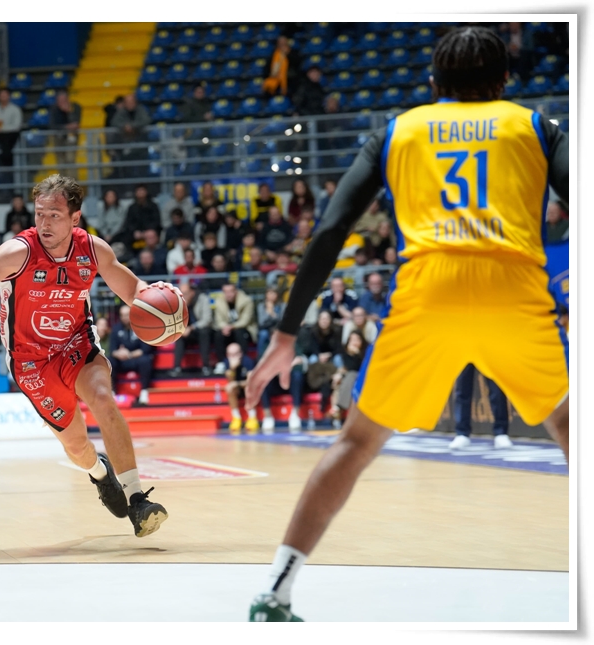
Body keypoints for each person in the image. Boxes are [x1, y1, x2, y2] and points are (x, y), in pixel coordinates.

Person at [244, 26, 569, 621]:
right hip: (514, 294)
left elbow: (330, 230)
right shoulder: (535, 126)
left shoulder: (398, 130)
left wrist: (286, 333)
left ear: (433, 81)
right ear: (505, 79)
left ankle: (276, 591)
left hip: (427, 295)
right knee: (575, 429)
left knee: (356, 443)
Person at [0, 174, 171, 538]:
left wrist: (157, 297)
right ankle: (100, 473)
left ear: (75, 218)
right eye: (40, 214)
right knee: (77, 445)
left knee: (102, 398)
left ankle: (137, 499)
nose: (44, 223)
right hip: (30, 360)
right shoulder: (18, 252)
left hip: (75, 344)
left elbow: (134, 290)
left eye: (54, 215)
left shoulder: (93, 250)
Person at [448, 364, 512, 450]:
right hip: (464, 355)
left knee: (497, 389)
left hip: (489, 355)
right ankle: (462, 433)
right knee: (462, 388)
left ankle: (501, 433)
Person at [110, 305, 156, 405]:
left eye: (127, 315)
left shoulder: (141, 327)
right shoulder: (116, 329)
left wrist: (129, 354)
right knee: (109, 361)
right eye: (122, 315)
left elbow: (145, 349)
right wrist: (119, 353)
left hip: (136, 360)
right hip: (122, 360)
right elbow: (112, 351)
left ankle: (144, 391)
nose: (124, 317)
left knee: (146, 360)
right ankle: (112, 392)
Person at [212, 283, 257, 374]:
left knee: (240, 333)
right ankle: (222, 363)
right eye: (226, 292)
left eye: (231, 291)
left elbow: (245, 321)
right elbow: (219, 321)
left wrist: (232, 327)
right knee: (218, 334)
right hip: (227, 330)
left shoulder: (246, 301)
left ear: (236, 291)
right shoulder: (219, 301)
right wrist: (225, 327)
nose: (228, 294)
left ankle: (243, 362)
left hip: (244, 329)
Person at [170, 280, 212, 377]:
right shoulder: (178, 301)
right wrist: (182, 329)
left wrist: (192, 328)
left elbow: (207, 320)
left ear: (192, 292)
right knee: (179, 335)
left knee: (204, 333)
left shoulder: (203, 299)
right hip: (186, 331)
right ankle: (176, 368)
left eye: (185, 293)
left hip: (200, 330)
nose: (182, 296)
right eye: (180, 293)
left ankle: (206, 366)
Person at [327, 331, 367, 428]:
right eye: (352, 340)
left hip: (362, 379)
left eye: (357, 340)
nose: (354, 342)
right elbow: (348, 366)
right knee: (339, 382)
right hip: (347, 380)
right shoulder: (343, 354)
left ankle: (338, 408)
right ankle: (337, 416)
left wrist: (357, 354)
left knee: (352, 375)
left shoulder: (365, 353)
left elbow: (359, 368)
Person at [225, 342, 259, 434]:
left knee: (249, 388)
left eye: (236, 354)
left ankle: (252, 417)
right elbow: (230, 381)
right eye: (230, 354)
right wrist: (232, 368)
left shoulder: (248, 361)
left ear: (240, 353)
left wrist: (237, 384)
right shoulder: (227, 362)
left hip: (247, 387)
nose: (233, 357)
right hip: (237, 389)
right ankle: (236, 418)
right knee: (230, 389)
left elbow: (251, 382)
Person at [0, 87, 23, 168]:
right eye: (1, 95)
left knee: (7, 144)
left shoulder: (15, 109)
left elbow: (17, 126)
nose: (3, 97)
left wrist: (1, 129)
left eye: (5, 95)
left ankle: (7, 167)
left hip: (11, 137)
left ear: (9, 96)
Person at [50, 90, 82, 169]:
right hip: (58, 137)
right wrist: (66, 127)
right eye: (60, 101)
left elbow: (76, 123)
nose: (62, 103)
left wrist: (68, 112)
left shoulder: (76, 107)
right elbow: (53, 125)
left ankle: (71, 177)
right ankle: (62, 177)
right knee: (60, 160)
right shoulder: (54, 109)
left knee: (70, 159)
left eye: (64, 100)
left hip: (72, 136)